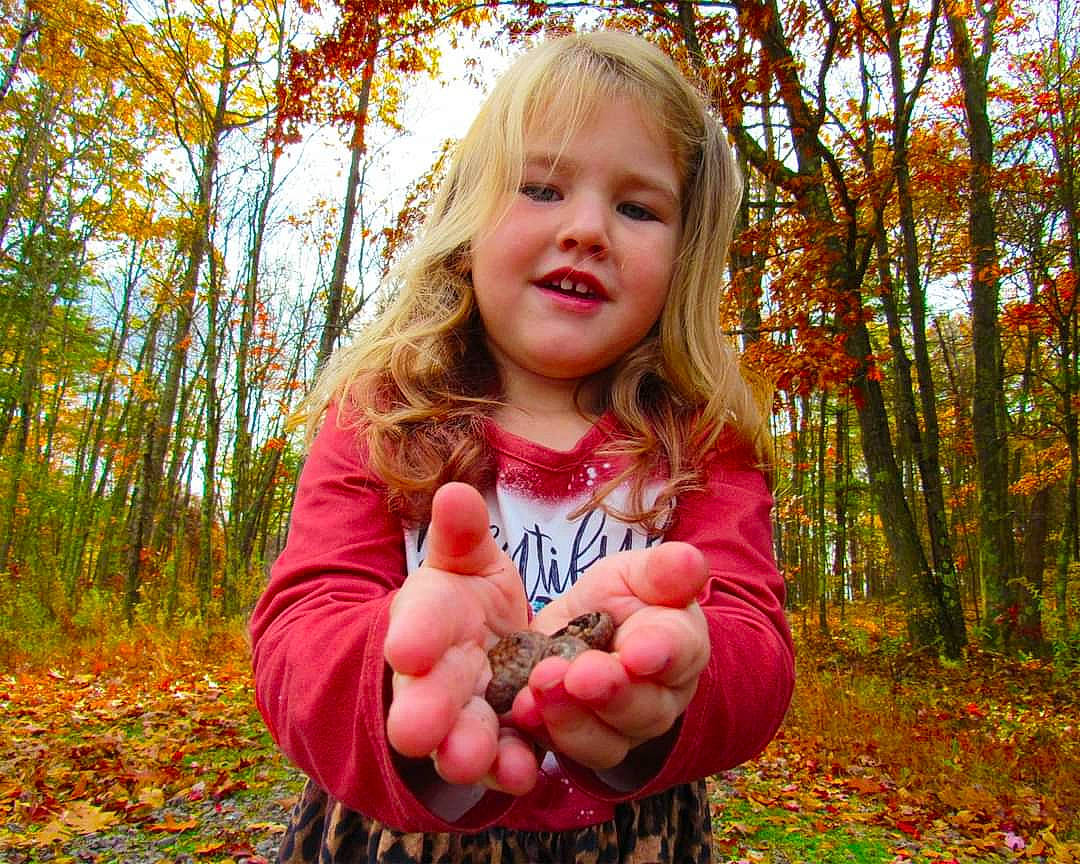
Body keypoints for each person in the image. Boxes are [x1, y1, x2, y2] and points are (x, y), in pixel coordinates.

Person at [250, 29, 794, 864]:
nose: (587, 229)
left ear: (683, 257)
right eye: (541, 189)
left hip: (630, 837)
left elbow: (755, 643)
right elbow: (298, 632)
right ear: (468, 222)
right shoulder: (383, 414)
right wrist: (402, 666)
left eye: (637, 208)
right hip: (394, 832)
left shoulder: (702, 444)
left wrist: (684, 674)